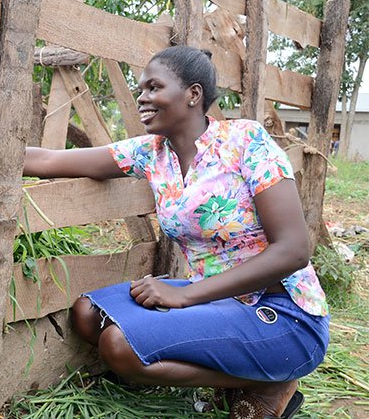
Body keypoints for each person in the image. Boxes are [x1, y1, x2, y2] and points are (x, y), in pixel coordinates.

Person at [23, 46, 329, 419]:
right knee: (88, 314)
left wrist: (185, 296)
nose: (142, 97)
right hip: (218, 303)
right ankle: (245, 375)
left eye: (153, 87)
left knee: (120, 345)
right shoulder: (151, 153)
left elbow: (294, 250)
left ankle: (271, 382)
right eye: (141, 89)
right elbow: (50, 160)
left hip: (284, 316)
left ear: (193, 94)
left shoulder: (245, 142)